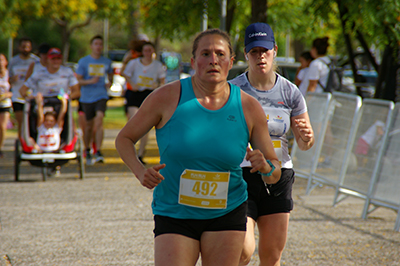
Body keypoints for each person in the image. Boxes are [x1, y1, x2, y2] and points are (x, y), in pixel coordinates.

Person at [115, 28, 281, 266]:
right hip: (175, 211)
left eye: (220, 54)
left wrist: (265, 166)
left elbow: (275, 172)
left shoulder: (248, 106)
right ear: (193, 61)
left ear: (231, 62)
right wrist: (140, 171)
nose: (213, 60)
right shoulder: (166, 97)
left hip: (227, 211)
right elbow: (124, 139)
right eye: (206, 53)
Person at [229, 22, 315, 266]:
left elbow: (305, 143)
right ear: (246, 54)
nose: (260, 57)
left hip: (279, 176)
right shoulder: (233, 90)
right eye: (254, 51)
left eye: (265, 50)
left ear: (275, 50)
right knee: (242, 251)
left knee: (271, 256)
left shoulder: (290, 93)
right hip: (241, 175)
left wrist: (307, 137)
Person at [121, 41, 166, 164]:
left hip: (149, 95)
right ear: (142, 52)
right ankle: (130, 150)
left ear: (154, 52)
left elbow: (163, 81)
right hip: (135, 94)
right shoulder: (134, 63)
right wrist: (132, 83)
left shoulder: (158, 65)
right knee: (134, 120)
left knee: (146, 125)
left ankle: (140, 154)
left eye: (150, 50)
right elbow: (124, 73)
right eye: (146, 50)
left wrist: (157, 85)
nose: (148, 53)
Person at [76, 35, 113, 165]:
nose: (98, 47)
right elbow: (78, 80)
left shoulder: (106, 61)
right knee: (88, 127)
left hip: (101, 95)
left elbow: (111, 75)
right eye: (96, 44)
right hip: (86, 97)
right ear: (91, 46)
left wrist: (110, 83)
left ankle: (98, 150)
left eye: (100, 44)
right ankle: (87, 149)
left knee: (99, 120)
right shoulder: (83, 61)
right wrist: (90, 81)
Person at [20, 47, 80, 121]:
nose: (56, 61)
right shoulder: (39, 74)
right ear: (48, 60)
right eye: (53, 59)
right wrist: (32, 97)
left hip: (60, 104)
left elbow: (77, 92)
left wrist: (67, 97)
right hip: (42, 105)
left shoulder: (67, 72)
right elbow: (22, 90)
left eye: (58, 59)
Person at [8, 37, 39, 137]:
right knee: (21, 123)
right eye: (23, 47)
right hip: (17, 96)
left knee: (32, 122)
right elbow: (7, 79)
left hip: (31, 96)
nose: (26, 49)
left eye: (28, 47)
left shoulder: (35, 61)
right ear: (19, 47)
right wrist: (13, 79)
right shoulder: (14, 61)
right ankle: (21, 142)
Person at [0, 53, 12, 158]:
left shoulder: (9, 74)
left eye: (2, 60)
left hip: (5, 103)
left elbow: (14, 89)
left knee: (2, 127)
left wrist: (7, 95)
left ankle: (1, 147)